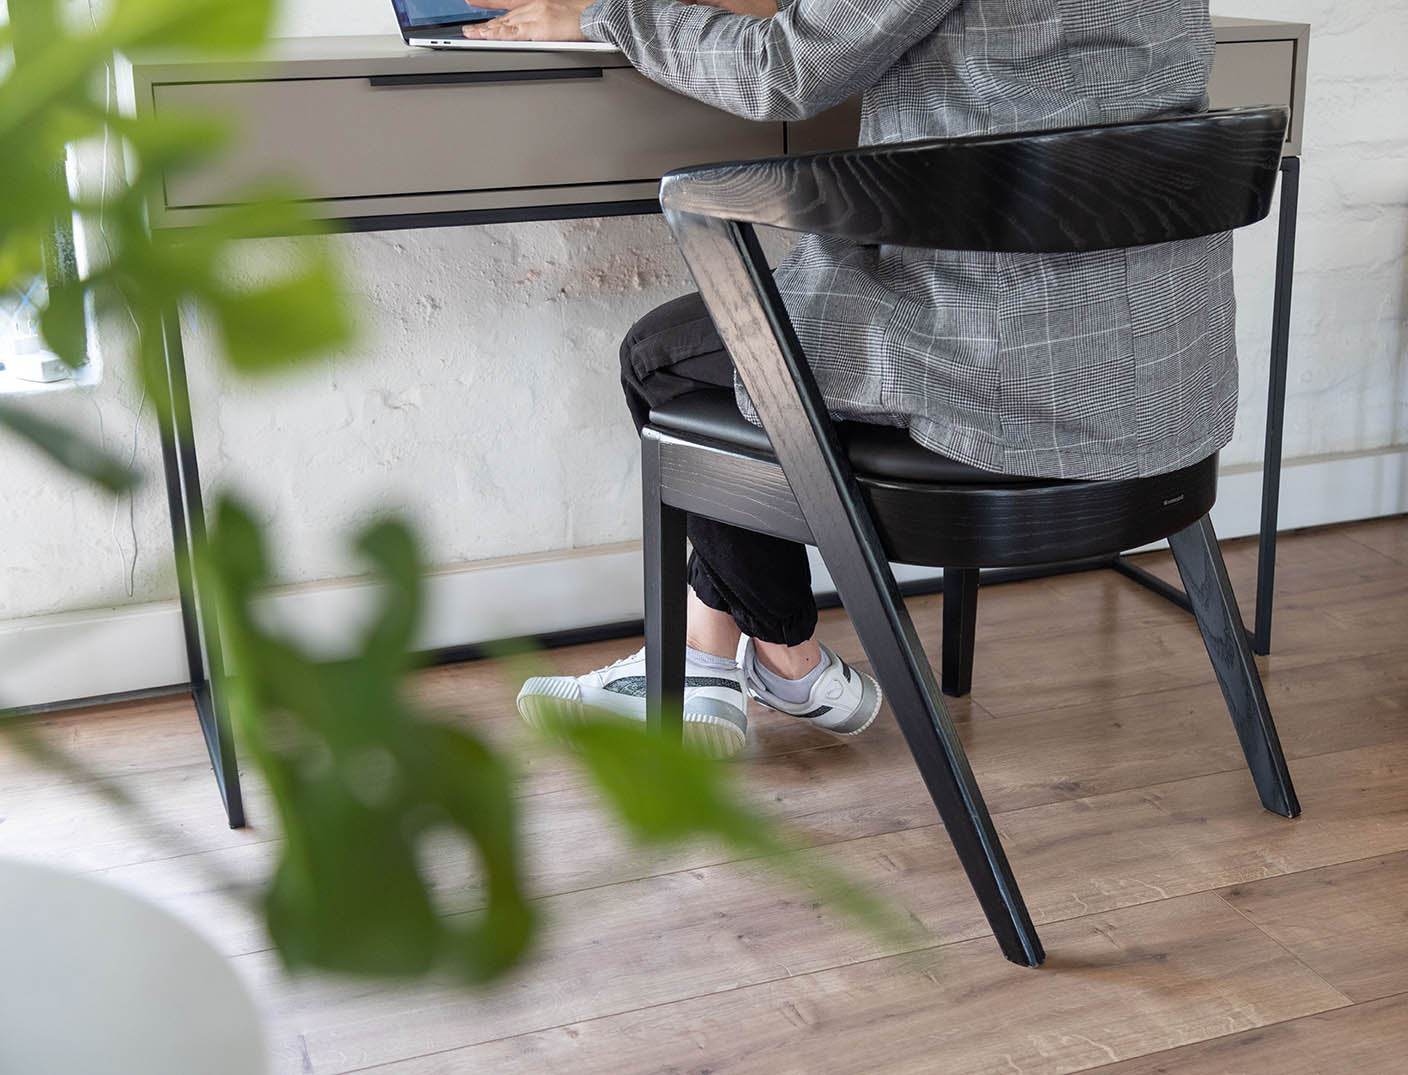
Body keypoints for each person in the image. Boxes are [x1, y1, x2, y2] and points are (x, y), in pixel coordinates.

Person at [505, 0, 1238, 759]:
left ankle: (753, 657)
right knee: (741, 346)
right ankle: (747, 661)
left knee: (661, 356)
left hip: (995, 377)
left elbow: (781, 72)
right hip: (1157, 389)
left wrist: (604, 13)